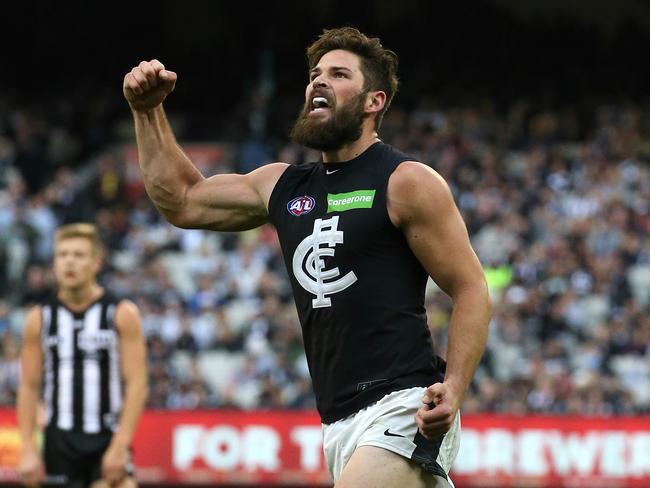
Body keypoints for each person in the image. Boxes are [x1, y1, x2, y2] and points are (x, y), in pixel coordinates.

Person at [123, 27, 491, 488]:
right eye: (315, 74)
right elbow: (182, 199)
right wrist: (147, 110)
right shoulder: (283, 185)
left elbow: (471, 286)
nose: (318, 81)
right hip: (337, 422)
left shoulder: (405, 181)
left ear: (373, 101)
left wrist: (454, 387)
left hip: (403, 404)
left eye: (338, 74)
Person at [17, 223, 148, 488]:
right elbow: (29, 386)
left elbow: (137, 383)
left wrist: (121, 444)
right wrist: (28, 449)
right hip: (59, 443)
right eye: (62, 255)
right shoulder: (39, 318)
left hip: (106, 437)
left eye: (78, 255)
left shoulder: (121, 313)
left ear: (96, 263)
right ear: (54, 263)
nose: (69, 263)